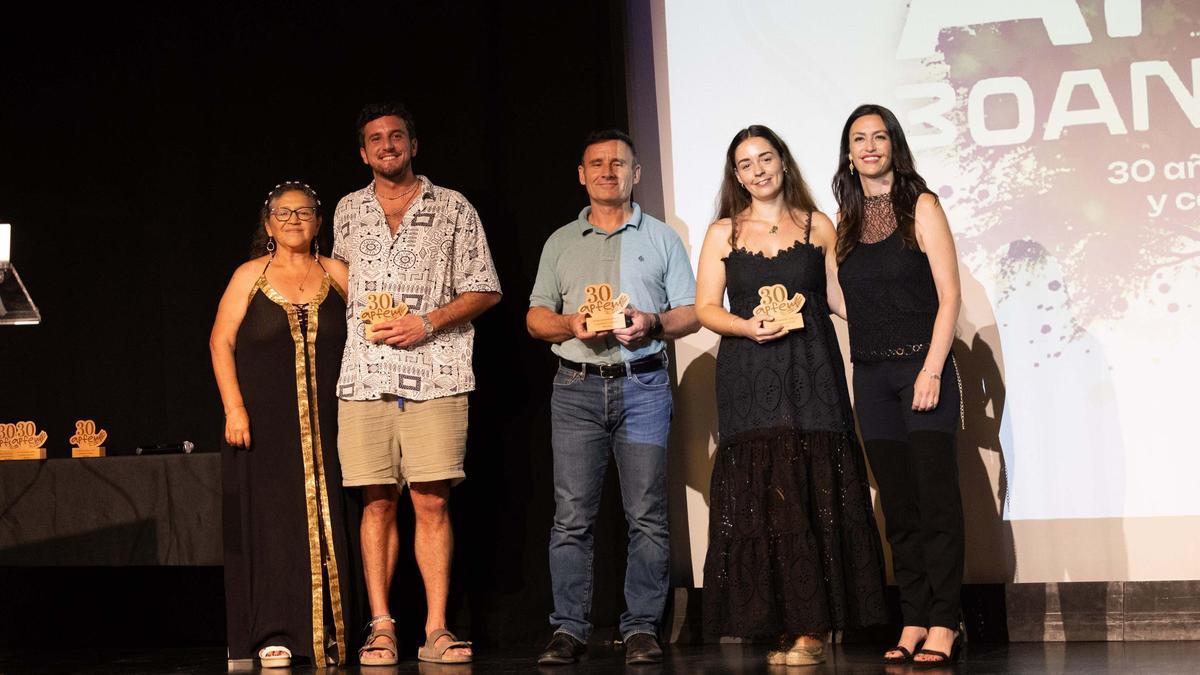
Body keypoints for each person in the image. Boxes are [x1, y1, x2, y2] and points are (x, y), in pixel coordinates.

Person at [694, 126, 888, 666]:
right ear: (736, 175)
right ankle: (781, 623)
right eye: (746, 163)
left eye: (766, 158)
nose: (758, 170)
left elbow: (841, 299)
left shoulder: (817, 225)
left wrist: (899, 319)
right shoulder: (722, 233)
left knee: (812, 486)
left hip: (812, 372)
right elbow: (706, 306)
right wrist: (743, 325)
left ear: (783, 162)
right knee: (764, 497)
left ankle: (812, 628)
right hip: (748, 373)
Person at [332, 102, 501, 666]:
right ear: (363, 152)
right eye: (375, 139)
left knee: (431, 501)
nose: (387, 146)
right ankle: (381, 627)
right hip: (364, 378)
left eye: (396, 136)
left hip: (438, 373)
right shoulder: (347, 211)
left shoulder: (454, 207)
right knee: (376, 502)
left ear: (413, 143)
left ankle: (435, 629)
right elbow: (340, 284)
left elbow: (486, 289)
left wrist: (425, 322)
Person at [527, 129, 699, 666]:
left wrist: (651, 322)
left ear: (635, 173)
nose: (607, 171)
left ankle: (642, 627)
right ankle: (569, 628)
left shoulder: (663, 238)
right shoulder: (560, 241)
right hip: (575, 389)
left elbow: (692, 312)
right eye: (597, 163)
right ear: (582, 174)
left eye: (618, 163)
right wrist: (569, 323)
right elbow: (535, 318)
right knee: (571, 516)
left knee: (646, 513)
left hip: (643, 384)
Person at [831, 104, 965, 667]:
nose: (868, 146)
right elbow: (846, 300)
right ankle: (913, 616)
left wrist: (932, 369)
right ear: (849, 152)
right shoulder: (845, 220)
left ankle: (945, 621)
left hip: (922, 370)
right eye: (858, 139)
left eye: (878, 136)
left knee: (936, 503)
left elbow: (949, 294)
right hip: (873, 378)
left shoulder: (922, 206)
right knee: (899, 510)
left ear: (894, 144)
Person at [210, 182, 360, 668]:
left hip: (336, 422)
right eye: (283, 212)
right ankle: (274, 629)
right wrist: (234, 408)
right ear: (268, 223)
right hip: (265, 426)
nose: (294, 220)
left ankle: (336, 629)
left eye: (304, 212)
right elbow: (220, 342)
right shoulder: (250, 275)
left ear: (319, 222)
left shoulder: (338, 272)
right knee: (273, 522)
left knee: (340, 516)